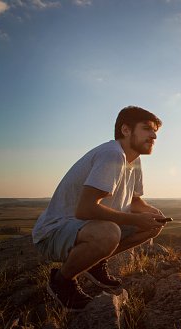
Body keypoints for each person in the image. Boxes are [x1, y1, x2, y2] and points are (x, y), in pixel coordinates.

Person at [32, 106, 167, 310]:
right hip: (54, 232)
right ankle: (62, 281)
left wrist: (150, 212)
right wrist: (136, 219)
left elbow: (135, 201)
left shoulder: (134, 160)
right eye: (147, 128)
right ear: (126, 130)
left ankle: (94, 262)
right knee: (109, 233)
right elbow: (85, 209)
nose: (154, 135)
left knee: (152, 225)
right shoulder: (112, 155)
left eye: (155, 131)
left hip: (86, 228)